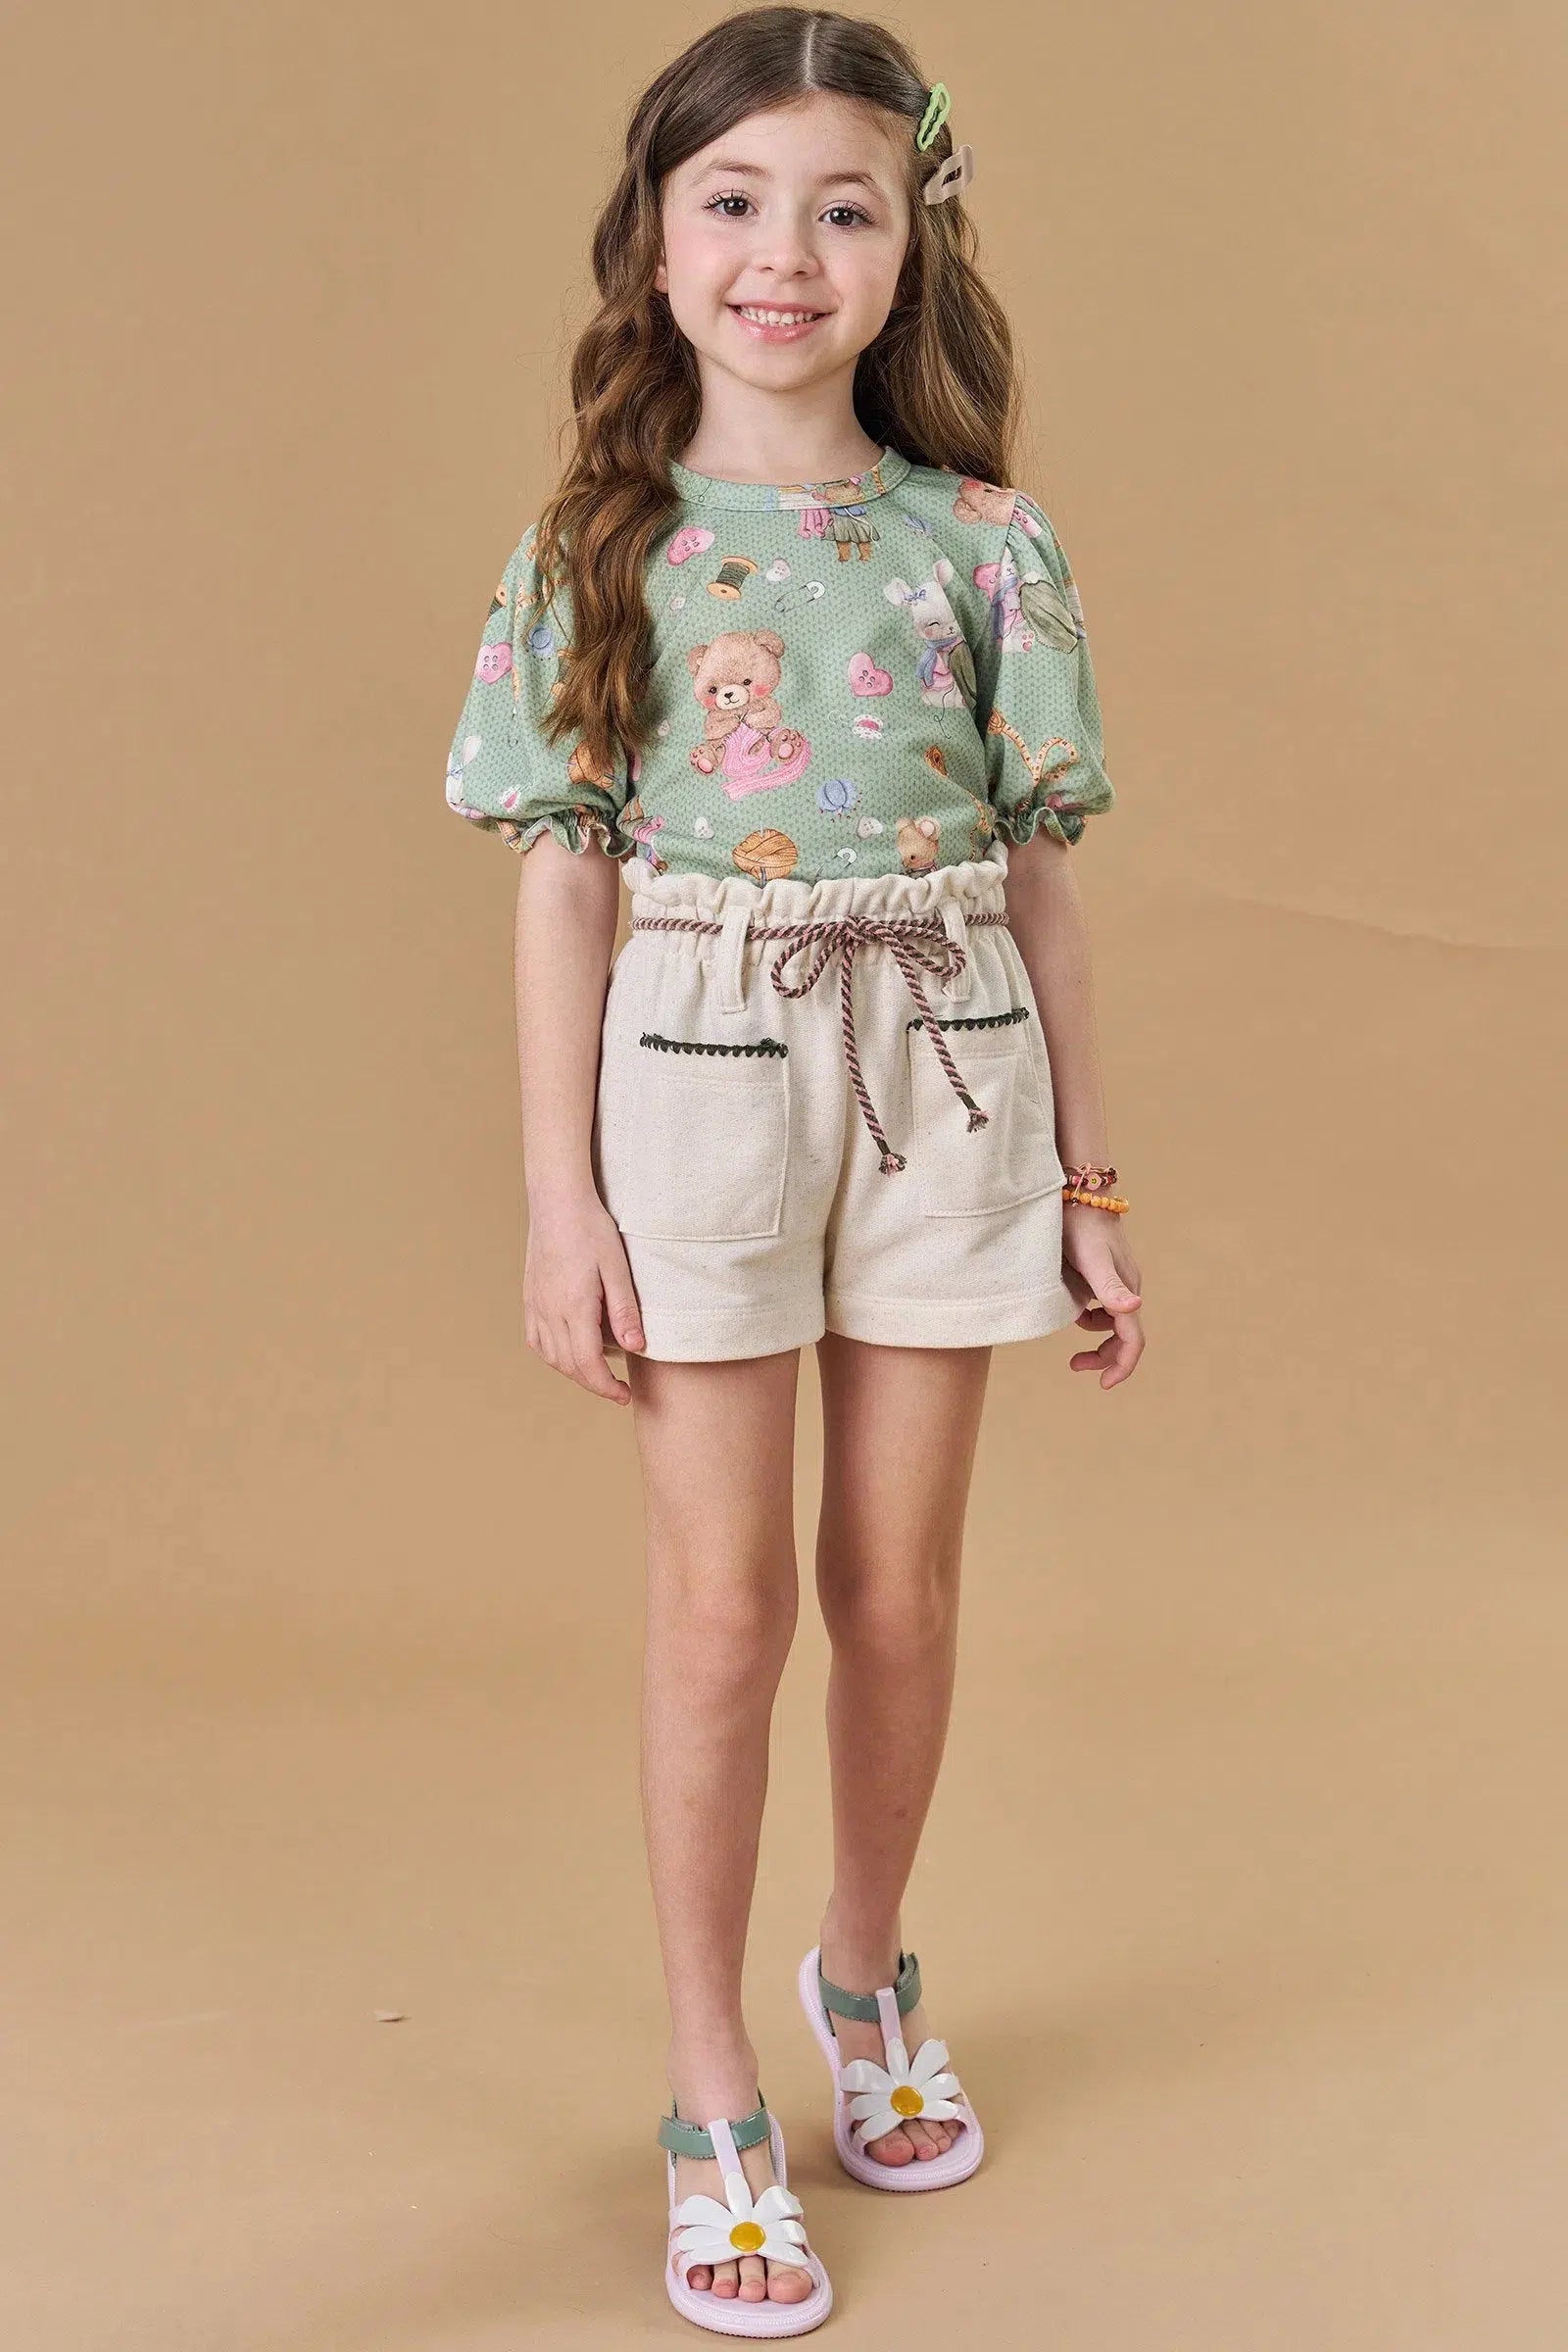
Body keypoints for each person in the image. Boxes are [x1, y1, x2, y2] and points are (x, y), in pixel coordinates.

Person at [441, 10, 1145, 2333]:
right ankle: (709, 2086)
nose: (783, 253)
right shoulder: (599, 548)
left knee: (898, 1591)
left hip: (945, 1057)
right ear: (653, 245)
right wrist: (561, 1201)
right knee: (720, 1605)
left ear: (905, 250)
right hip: (699, 1066)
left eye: (842, 208)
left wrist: (1088, 1184)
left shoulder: (983, 545)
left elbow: (1039, 881)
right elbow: (560, 880)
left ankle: (861, 1968)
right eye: (731, 202)